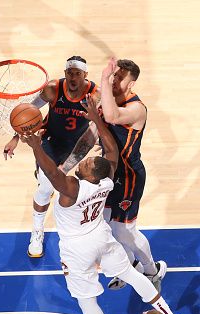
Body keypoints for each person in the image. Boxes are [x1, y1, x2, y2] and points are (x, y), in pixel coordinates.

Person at [20, 93, 192, 314]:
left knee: (87, 301)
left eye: (86, 163)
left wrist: (35, 146)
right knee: (133, 276)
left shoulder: (71, 189)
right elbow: (111, 150)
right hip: (102, 237)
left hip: (77, 247)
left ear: (89, 174)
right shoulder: (106, 182)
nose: (84, 161)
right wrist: (97, 121)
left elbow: (52, 173)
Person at [66, 57, 167, 292]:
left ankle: (152, 270)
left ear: (131, 85)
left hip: (129, 175)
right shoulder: (104, 101)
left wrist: (103, 79)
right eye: (114, 76)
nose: (115, 81)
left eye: (120, 78)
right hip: (107, 172)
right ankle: (130, 266)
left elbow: (111, 117)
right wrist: (65, 167)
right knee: (107, 226)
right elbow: (90, 137)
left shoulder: (136, 108)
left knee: (124, 230)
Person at [3, 55, 99, 258]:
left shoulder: (94, 95)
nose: (73, 78)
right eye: (70, 73)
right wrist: (15, 138)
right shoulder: (53, 88)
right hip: (50, 141)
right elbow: (29, 112)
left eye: (78, 74)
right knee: (46, 188)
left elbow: (94, 130)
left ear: (85, 75)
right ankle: (37, 232)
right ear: (65, 74)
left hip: (77, 145)